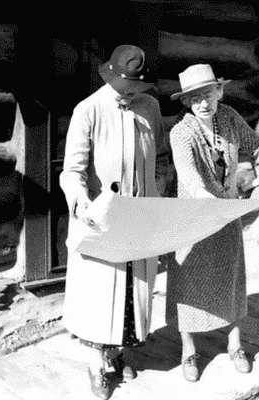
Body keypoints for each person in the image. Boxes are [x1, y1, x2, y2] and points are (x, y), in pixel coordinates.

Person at [165, 64, 259, 382]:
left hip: (226, 215)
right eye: (195, 98)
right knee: (188, 283)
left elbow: (257, 144)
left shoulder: (230, 118)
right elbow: (187, 171)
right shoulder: (182, 132)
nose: (203, 103)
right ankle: (189, 351)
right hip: (193, 218)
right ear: (186, 102)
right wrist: (200, 194)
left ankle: (235, 344)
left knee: (231, 279)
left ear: (219, 91)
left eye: (208, 94)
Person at [59, 44, 170, 399]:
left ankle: (118, 354)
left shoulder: (150, 107)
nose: (137, 91)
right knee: (99, 294)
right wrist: (82, 203)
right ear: (114, 78)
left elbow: (159, 157)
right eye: (131, 86)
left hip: (140, 215)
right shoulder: (88, 110)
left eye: (140, 85)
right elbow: (72, 171)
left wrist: (158, 191)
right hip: (101, 218)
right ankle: (97, 365)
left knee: (132, 290)